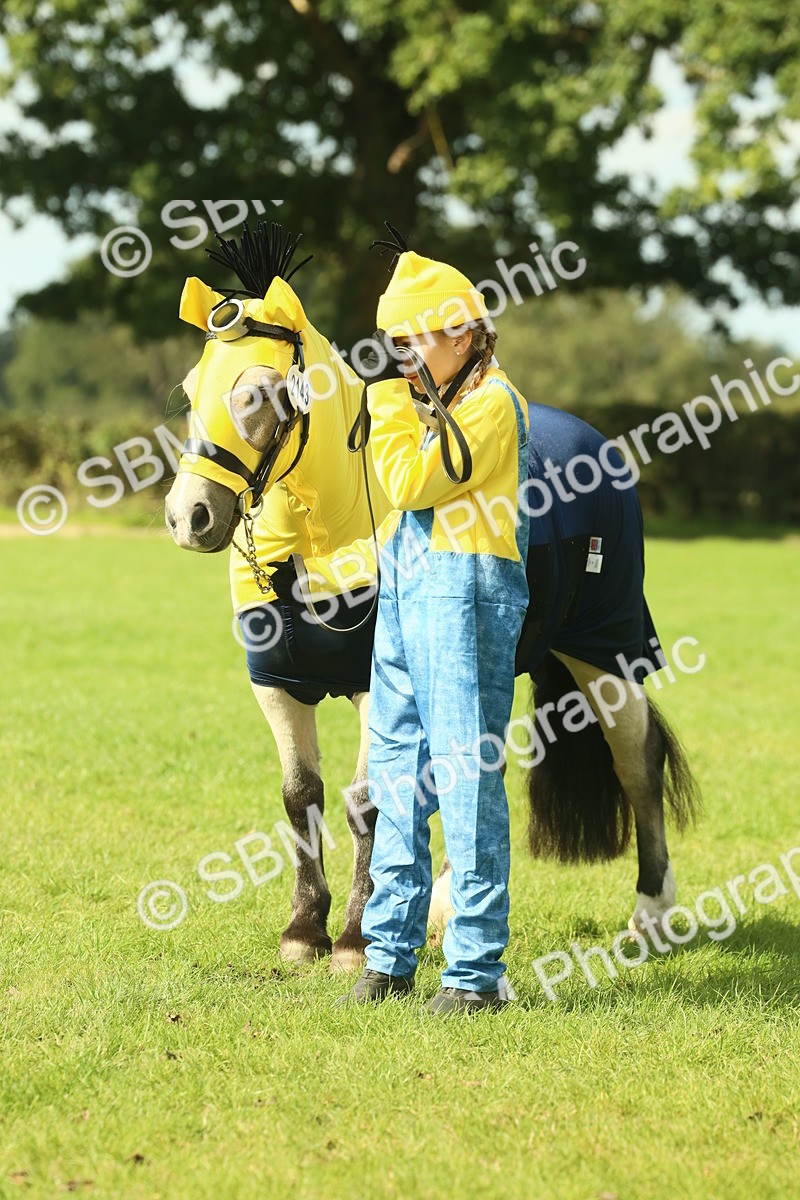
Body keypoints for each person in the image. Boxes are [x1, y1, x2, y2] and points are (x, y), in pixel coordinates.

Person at [294, 249, 531, 1014]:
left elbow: (410, 482)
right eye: (397, 342)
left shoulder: (494, 405)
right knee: (395, 771)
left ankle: (472, 973)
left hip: (465, 592)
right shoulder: (439, 401)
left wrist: (393, 407)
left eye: (417, 339)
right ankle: (389, 955)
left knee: (464, 778)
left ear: (463, 337)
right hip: (406, 586)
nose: (403, 356)